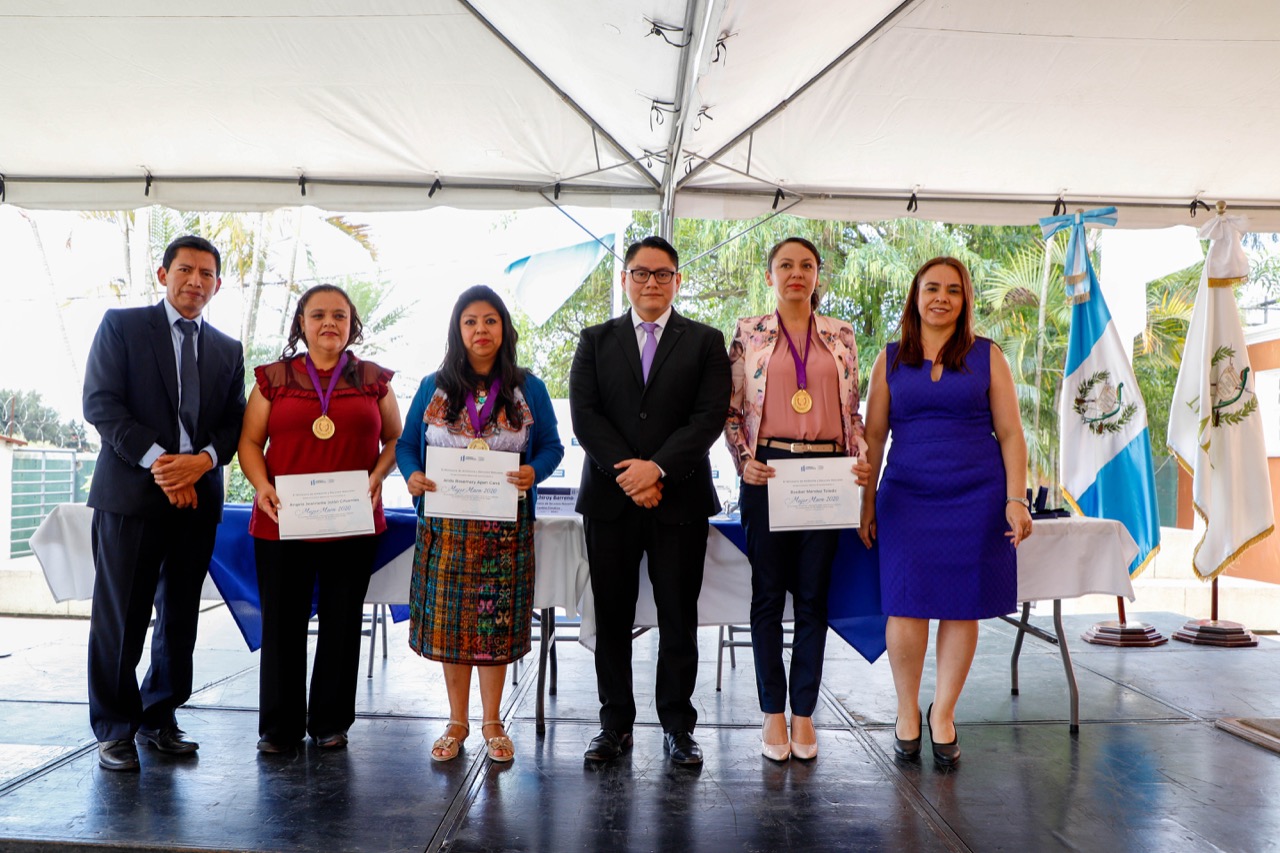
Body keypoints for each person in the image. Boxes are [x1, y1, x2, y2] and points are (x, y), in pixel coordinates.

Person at [858, 256, 1033, 767]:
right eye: (931, 288)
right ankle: (907, 711)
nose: (941, 297)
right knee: (905, 603)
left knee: (961, 605)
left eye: (953, 290)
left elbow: (1011, 434)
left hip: (977, 496)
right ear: (915, 296)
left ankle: (944, 714)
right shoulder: (888, 359)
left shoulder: (988, 355)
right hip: (907, 496)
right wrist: (865, 503)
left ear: (965, 299)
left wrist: (1016, 498)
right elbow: (872, 436)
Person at [82, 235, 247, 772]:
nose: (195, 281)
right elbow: (101, 405)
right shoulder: (122, 327)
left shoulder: (227, 349)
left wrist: (199, 462)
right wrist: (161, 463)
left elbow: (233, 423)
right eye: (185, 269)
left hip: (197, 498)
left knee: (179, 617)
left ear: (218, 285)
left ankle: (159, 715)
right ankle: (114, 727)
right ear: (163, 274)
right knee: (122, 617)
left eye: (206, 274)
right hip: (130, 497)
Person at [569, 236, 731, 766]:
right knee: (611, 616)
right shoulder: (594, 340)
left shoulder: (705, 341)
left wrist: (657, 468)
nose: (651, 283)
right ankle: (614, 725)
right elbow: (586, 417)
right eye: (641, 273)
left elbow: (707, 418)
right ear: (625, 280)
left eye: (663, 274)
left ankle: (678, 728)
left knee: (677, 618)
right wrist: (631, 475)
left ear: (678, 281)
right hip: (610, 502)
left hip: (679, 499)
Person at [396, 285, 563, 764]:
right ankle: (456, 721)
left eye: (490, 320)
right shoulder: (434, 385)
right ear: (458, 330)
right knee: (452, 631)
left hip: (503, 532)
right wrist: (413, 476)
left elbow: (552, 446)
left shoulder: (528, 387)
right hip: (446, 530)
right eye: (470, 321)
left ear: (504, 329)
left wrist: (536, 471)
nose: (480, 330)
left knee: (493, 628)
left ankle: (493, 723)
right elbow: (408, 445)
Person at [238, 284, 401, 753]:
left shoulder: (373, 378)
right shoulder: (273, 377)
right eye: (318, 315)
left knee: (342, 622)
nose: (329, 323)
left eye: (340, 315)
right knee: (283, 624)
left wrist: (378, 474)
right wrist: (261, 486)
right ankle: (279, 727)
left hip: (352, 521)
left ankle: (331, 723)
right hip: (281, 519)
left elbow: (395, 439)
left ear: (352, 324)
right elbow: (249, 443)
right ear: (301, 324)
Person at [724, 236, 868, 762]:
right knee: (768, 597)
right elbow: (731, 411)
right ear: (770, 276)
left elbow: (853, 413)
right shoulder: (749, 334)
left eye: (806, 265)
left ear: (818, 276)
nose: (796, 274)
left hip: (827, 473)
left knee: (813, 598)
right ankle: (771, 710)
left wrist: (861, 454)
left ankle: (803, 712)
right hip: (768, 474)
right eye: (785, 265)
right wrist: (744, 460)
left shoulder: (842, 336)